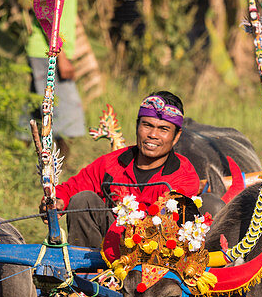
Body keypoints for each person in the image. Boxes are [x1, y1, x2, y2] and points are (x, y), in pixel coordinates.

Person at [42, 91, 201, 248]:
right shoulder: (111, 163)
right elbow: (72, 188)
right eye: (147, 125)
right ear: (137, 126)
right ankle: (84, 271)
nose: (153, 134)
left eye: (163, 129)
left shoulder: (184, 176)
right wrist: (57, 201)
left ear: (176, 136)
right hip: (106, 248)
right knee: (82, 199)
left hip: (155, 254)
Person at [24, 0, 87, 154]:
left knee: (34, 115)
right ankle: (57, 174)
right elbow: (45, 15)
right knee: (64, 118)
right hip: (47, 53)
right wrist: (61, 57)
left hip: (54, 52)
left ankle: (25, 163)